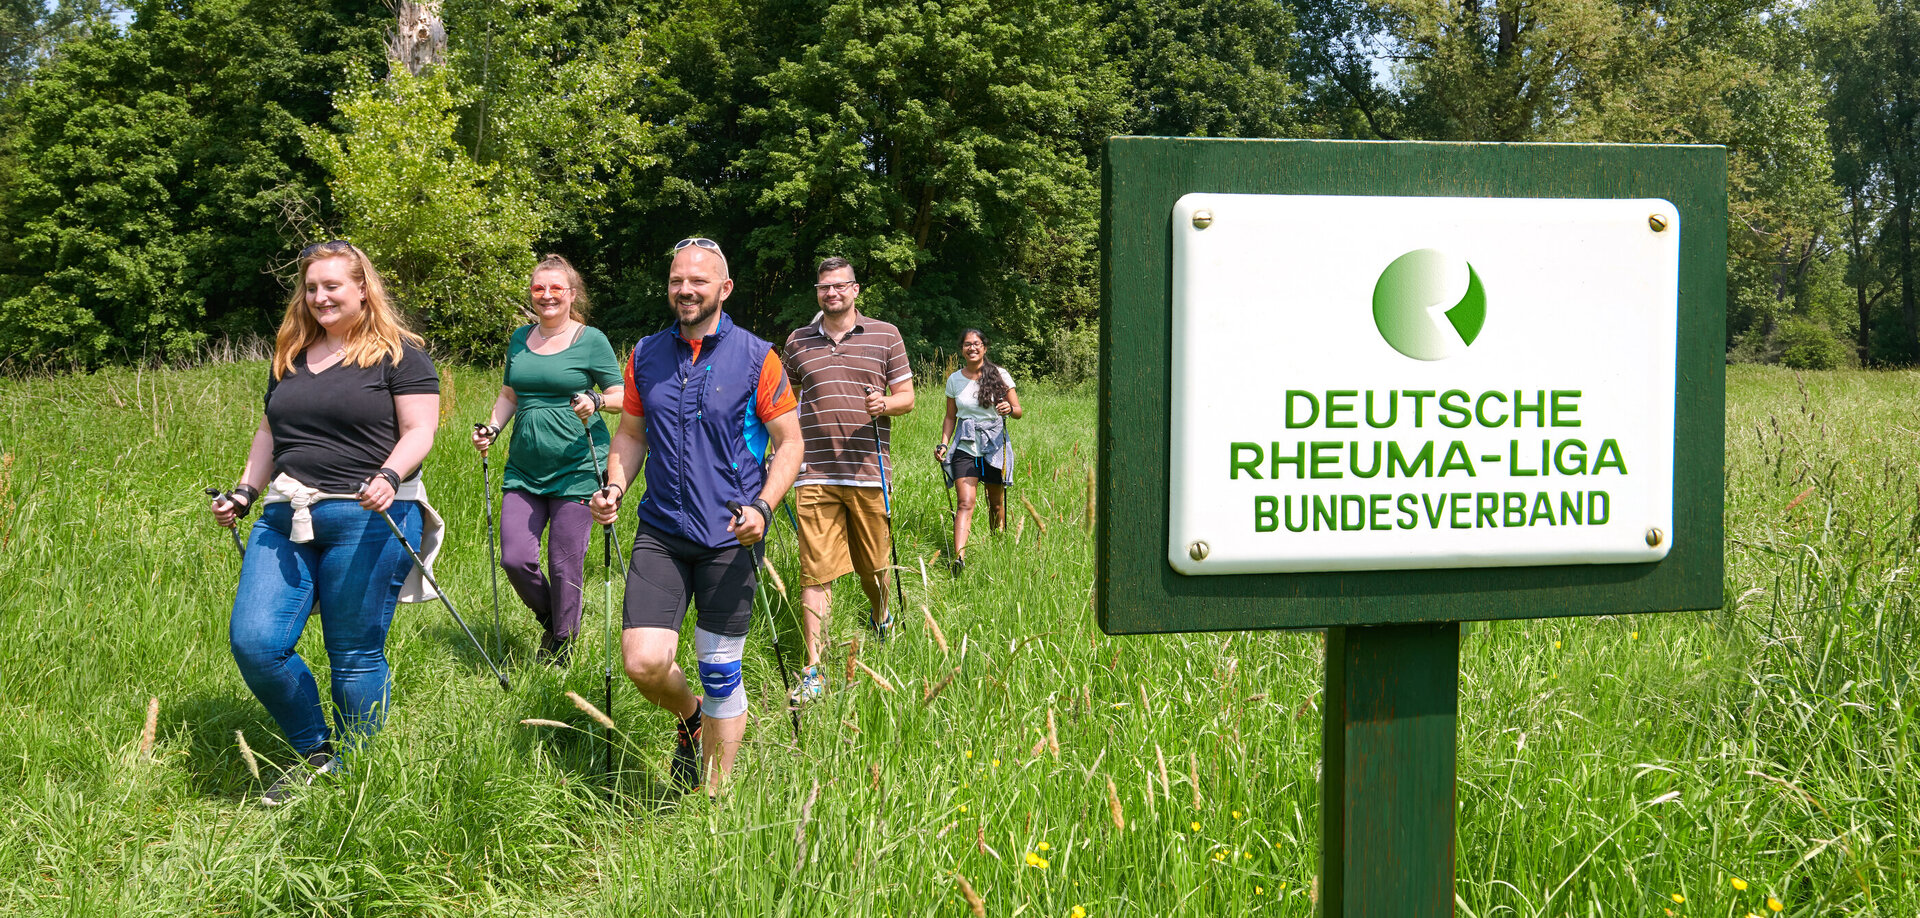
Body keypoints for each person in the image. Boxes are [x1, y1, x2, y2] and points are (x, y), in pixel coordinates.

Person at [208, 241, 441, 806]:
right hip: (286, 513)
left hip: (371, 513)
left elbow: (420, 431)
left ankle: (356, 775)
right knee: (256, 643)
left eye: (332, 286)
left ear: (363, 288)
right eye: (311, 288)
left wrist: (388, 475)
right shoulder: (290, 353)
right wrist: (245, 491)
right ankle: (317, 753)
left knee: (354, 651)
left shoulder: (400, 355)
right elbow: (270, 434)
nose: (320, 297)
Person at [589, 237, 800, 794]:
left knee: (720, 669)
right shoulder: (646, 354)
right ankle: (691, 719)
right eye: (677, 279)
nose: (685, 289)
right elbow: (631, 434)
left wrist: (763, 507)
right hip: (662, 529)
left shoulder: (758, 357)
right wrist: (614, 486)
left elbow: (791, 443)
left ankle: (715, 802)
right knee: (643, 663)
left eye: (699, 281)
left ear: (724, 289)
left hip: (731, 534)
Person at [471, 255, 624, 665]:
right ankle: (555, 619)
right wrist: (491, 429)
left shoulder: (591, 339)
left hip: (577, 468)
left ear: (572, 295)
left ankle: (562, 646)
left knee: (563, 565)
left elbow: (622, 396)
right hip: (524, 468)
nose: (547, 295)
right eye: (539, 288)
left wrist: (595, 400)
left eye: (556, 288)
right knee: (515, 558)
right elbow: (509, 395)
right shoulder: (520, 338)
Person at [780, 256, 914, 700]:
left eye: (839, 286)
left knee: (874, 566)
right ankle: (814, 669)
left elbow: (907, 397)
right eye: (823, 287)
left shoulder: (885, 334)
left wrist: (885, 405)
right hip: (812, 472)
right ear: (817, 292)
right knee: (814, 572)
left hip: (868, 471)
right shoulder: (797, 342)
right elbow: (787, 402)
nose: (831, 293)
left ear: (855, 289)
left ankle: (881, 618)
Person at [937, 328, 1022, 576]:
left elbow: (1018, 410)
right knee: (965, 502)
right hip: (965, 444)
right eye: (966, 344)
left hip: (995, 444)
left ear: (985, 347)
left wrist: (1008, 408)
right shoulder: (954, 379)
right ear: (962, 349)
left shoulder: (1000, 375)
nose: (971, 348)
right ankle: (958, 559)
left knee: (995, 503)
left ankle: (998, 548)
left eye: (976, 344)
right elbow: (950, 416)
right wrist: (944, 443)